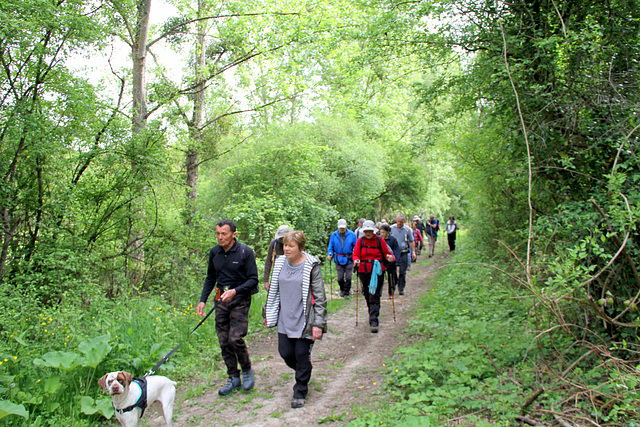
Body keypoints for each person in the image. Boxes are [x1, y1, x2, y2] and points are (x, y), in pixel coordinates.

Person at [263, 230, 327, 409]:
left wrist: (318, 324)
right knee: (286, 353)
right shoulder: (281, 262)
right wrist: (266, 313)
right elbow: (273, 291)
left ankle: (300, 390)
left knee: (300, 353)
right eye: (285, 245)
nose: (286, 249)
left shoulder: (311, 265)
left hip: (305, 319)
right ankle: (303, 369)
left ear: (301, 247)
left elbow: (320, 298)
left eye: (291, 246)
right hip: (285, 317)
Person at [197, 219, 259, 396]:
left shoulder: (245, 252)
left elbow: (253, 280)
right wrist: (203, 300)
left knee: (235, 338)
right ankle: (233, 377)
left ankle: (247, 370)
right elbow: (210, 277)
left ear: (234, 234)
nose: (220, 237)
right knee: (223, 341)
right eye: (217, 233)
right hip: (220, 300)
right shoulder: (214, 252)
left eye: (224, 233)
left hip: (240, 299)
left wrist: (235, 291)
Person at [353, 220, 396, 333]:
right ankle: (372, 312)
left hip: (377, 271)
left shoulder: (379, 240)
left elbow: (387, 253)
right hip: (363, 271)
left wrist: (390, 258)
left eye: (370, 231)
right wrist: (356, 260)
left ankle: (374, 321)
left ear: (373, 231)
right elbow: (356, 254)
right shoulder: (360, 241)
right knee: (367, 294)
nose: (368, 233)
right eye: (366, 231)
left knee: (374, 294)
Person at [327, 219, 357, 298]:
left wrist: (355, 254)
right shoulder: (334, 235)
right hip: (338, 259)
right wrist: (330, 254)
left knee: (348, 277)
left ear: (346, 226)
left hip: (349, 258)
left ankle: (346, 292)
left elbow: (356, 245)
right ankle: (342, 290)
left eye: (343, 227)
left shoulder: (352, 234)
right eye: (340, 228)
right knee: (340, 278)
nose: (342, 229)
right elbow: (330, 246)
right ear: (338, 227)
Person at [389, 214, 416, 296]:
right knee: (393, 271)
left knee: (402, 271)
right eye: (398, 221)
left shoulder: (408, 229)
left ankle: (401, 288)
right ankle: (395, 282)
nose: (399, 223)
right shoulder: (392, 228)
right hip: (394, 253)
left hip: (404, 252)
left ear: (404, 221)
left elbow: (411, 241)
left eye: (401, 222)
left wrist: (413, 252)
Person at [263, 225, 292, 291]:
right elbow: (268, 262)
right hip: (277, 277)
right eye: (281, 238)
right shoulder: (274, 243)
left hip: (291, 276)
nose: (282, 240)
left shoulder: (295, 245)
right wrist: (266, 280)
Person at [379, 224, 400, 298]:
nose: (382, 234)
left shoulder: (393, 240)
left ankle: (391, 293)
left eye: (383, 232)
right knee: (380, 278)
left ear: (387, 232)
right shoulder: (378, 240)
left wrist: (397, 261)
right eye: (380, 232)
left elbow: (397, 251)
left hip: (391, 262)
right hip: (381, 262)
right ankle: (379, 293)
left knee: (391, 278)